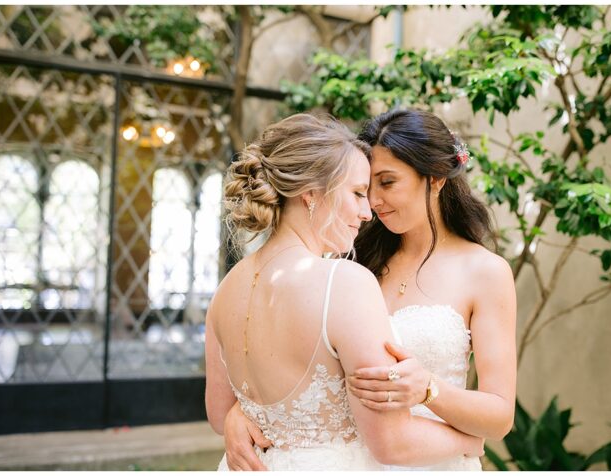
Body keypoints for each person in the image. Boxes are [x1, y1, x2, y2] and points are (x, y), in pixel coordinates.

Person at [205, 113, 484, 470]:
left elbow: (219, 413)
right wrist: (469, 441)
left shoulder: (227, 289)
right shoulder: (345, 282)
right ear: (310, 193)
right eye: (356, 193)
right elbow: (390, 443)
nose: (368, 211)